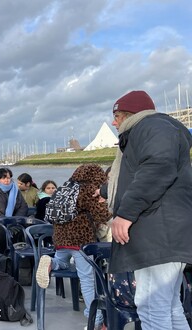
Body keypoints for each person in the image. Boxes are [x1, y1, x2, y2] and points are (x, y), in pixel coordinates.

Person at [96, 90, 192, 329]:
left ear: (130, 115)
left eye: (117, 115)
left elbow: (158, 167)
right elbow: (139, 173)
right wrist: (106, 191)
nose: (113, 121)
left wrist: (125, 215)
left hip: (159, 235)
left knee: (151, 307)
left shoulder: (152, 127)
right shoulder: (154, 130)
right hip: (165, 233)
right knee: (170, 307)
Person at [36, 164, 111, 329]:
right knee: (87, 279)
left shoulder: (64, 187)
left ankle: (50, 262)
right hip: (81, 241)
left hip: (60, 239)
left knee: (62, 262)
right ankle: (95, 318)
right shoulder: (88, 190)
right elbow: (103, 214)